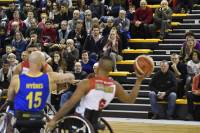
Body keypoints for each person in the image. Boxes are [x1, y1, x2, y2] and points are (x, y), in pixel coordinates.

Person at [46, 56, 146, 131]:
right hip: (94, 119)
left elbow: (70, 104)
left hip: (79, 119)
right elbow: (131, 100)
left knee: (69, 102)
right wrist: (139, 80)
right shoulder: (115, 85)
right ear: (110, 70)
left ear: (97, 69)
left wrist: (54, 119)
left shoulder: (87, 83)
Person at [7, 51, 75, 133]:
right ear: (42, 63)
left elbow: (10, 100)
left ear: (29, 62)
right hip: (38, 118)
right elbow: (70, 76)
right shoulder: (49, 77)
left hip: (20, 118)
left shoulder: (16, 79)